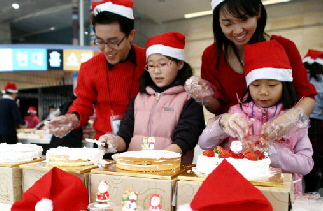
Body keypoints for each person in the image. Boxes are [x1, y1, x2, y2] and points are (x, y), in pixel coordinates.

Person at [184, 0, 317, 141]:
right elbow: (218, 108)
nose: (238, 30)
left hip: (281, 141)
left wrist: (289, 118)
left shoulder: (284, 47)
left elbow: (308, 97)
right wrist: (206, 96)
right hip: (234, 142)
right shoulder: (212, 55)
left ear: (258, 12)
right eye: (228, 24)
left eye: (244, 19)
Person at [198, 40, 314, 195]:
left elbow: (306, 165)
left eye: (272, 85)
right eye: (256, 85)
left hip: (281, 195)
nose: (263, 92)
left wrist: (272, 152)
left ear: (284, 86)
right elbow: (204, 143)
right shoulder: (236, 113)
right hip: (237, 191)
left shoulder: (292, 120)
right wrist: (221, 124)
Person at [47, 0, 146, 143]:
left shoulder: (149, 61)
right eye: (100, 41)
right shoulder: (89, 68)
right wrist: (70, 119)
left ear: (131, 35)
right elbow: (83, 104)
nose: (107, 50)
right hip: (106, 144)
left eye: (114, 41)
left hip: (143, 144)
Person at [98, 32, 205, 163]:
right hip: (134, 168)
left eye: (163, 64)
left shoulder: (189, 99)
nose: (156, 71)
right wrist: (112, 142)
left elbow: (186, 138)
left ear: (180, 64)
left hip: (169, 171)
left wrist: (158, 160)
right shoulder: (139, 98)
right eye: (151, 65)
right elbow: (125, 137)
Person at [302, 49, 323, 193]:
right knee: (319, 157)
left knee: (307, 157)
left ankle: (309, 190)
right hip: (320, 124)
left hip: (302, 123)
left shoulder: (303, 79)